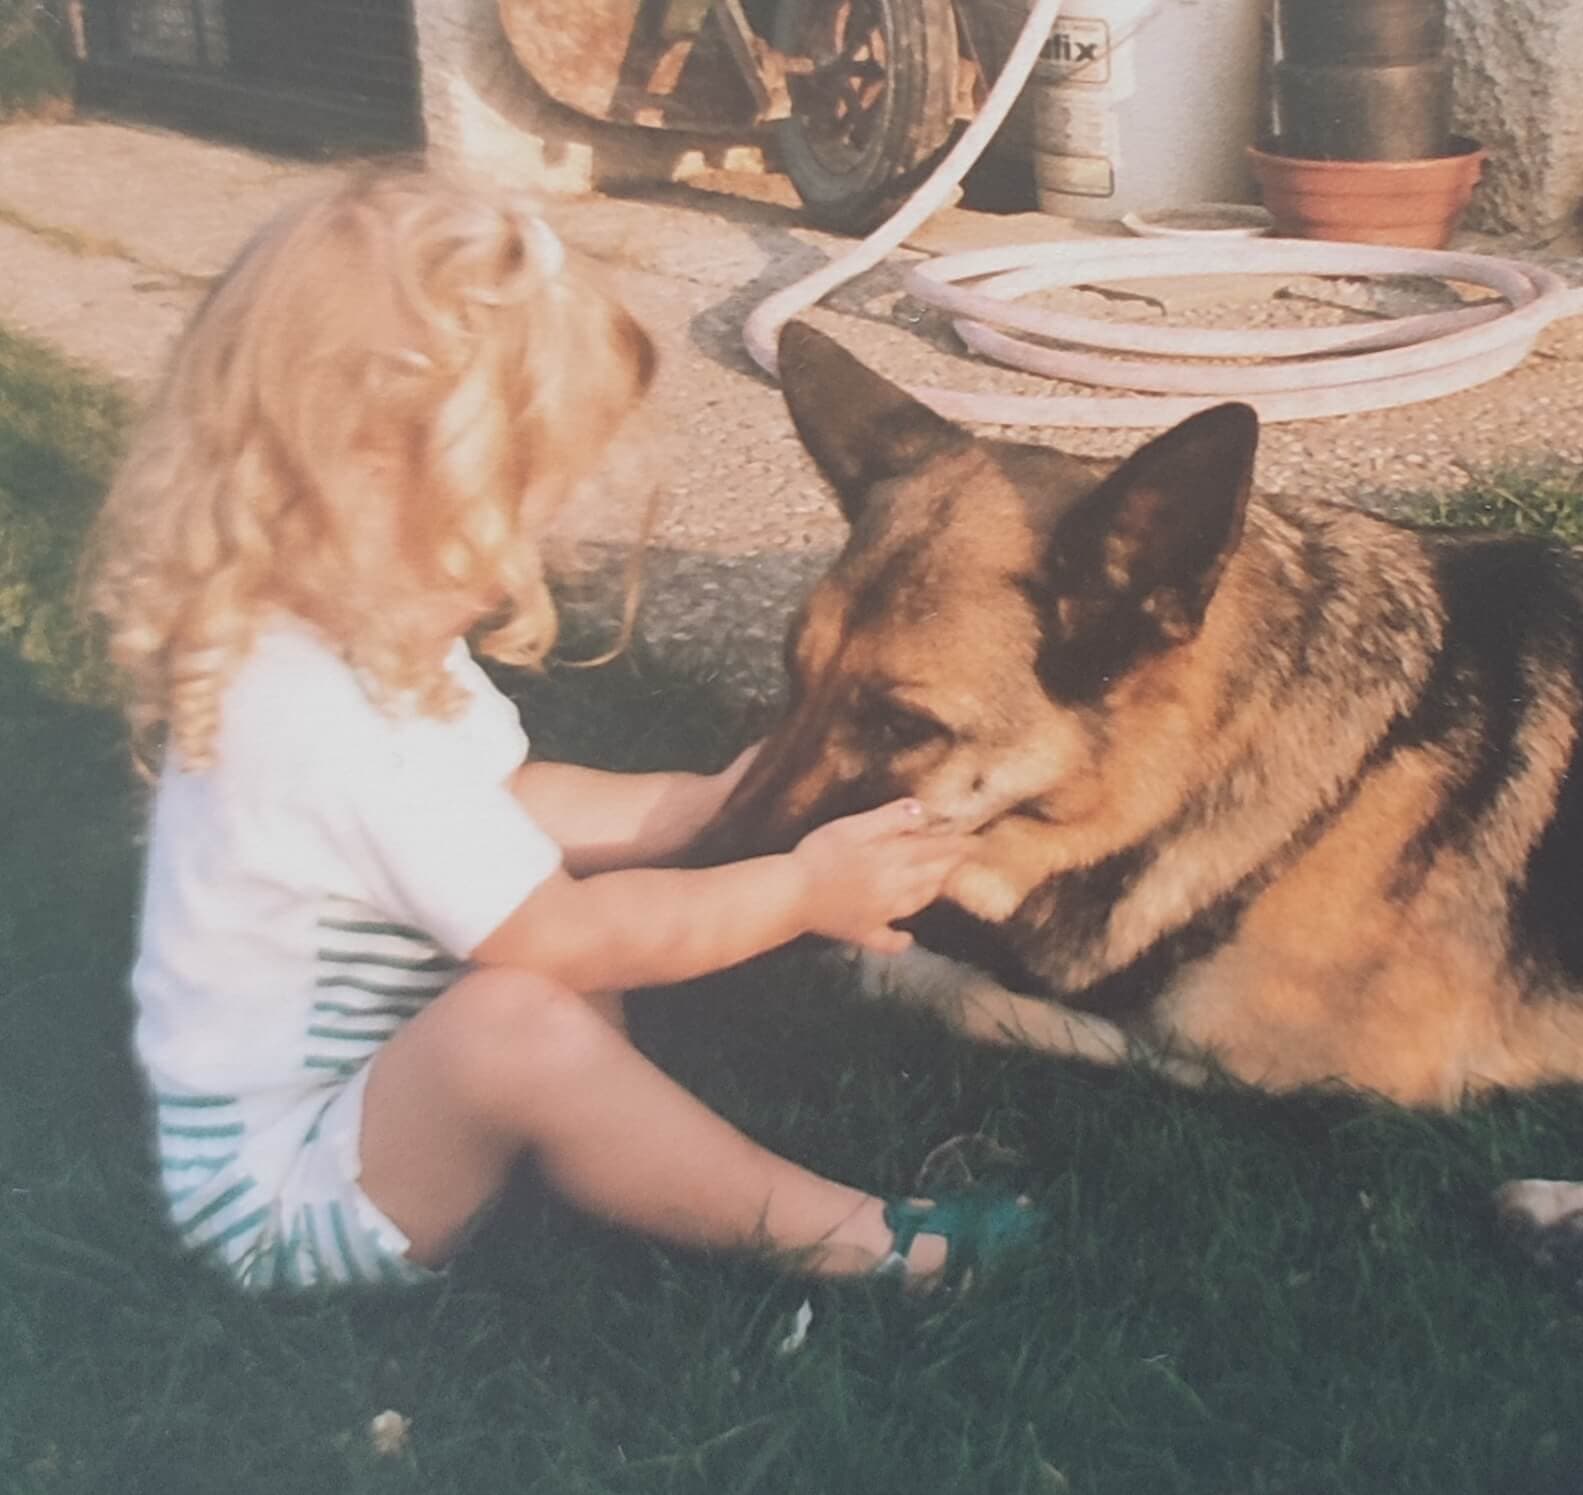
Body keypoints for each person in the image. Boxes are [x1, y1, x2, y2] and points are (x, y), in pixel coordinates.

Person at [81, 169, 1029, 1293]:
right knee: (522, 1015)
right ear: (357, 482)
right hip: (287, 1201)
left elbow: (509, 800)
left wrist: (698, 806)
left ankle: (604, 1144)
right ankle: (866, 1245)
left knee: (535, 991)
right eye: (495, 521)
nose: (507, 569)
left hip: (374, 1099)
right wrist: (797, 893)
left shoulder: (346, 636)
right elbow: (563, 935)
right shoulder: (313, 721)